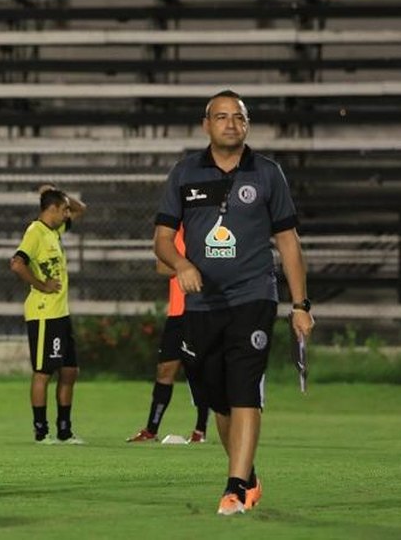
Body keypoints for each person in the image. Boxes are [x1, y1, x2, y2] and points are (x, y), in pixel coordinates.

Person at [152, 90, 313, 516]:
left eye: (238, 118)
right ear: (206, 125)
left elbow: (289, 244)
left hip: (253, 298)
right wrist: (182, 265)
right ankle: (250, 473)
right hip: (202, 306)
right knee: (218, 400)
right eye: (220, 117)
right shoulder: (185, 173)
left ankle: (235, 487)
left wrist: (301, 304)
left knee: (245, 391)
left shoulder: (267, 173)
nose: (230, 124)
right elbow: (162, 241)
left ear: (247, 125)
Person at [10, 184, 87, 444]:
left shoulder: (55, 231)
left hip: (61, 313)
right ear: (52, 209)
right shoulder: (36, 232)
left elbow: (81, 209)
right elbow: (17, 263)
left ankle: (64, 431)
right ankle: (41, 431)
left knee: (69, 371)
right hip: (44, 314)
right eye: (63, 209)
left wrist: (58, 190)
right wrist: (41, 285)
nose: (68, 213)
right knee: (44, 371)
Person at [126, 227, 212, 444]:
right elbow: (161, 266)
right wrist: (187, 267)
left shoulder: (205, 226)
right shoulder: (173, 232)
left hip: (200, 311)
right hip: (176, 314)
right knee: (165, 370)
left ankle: (200, 430)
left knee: (197, 371)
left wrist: (183, 266)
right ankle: (151, 430)